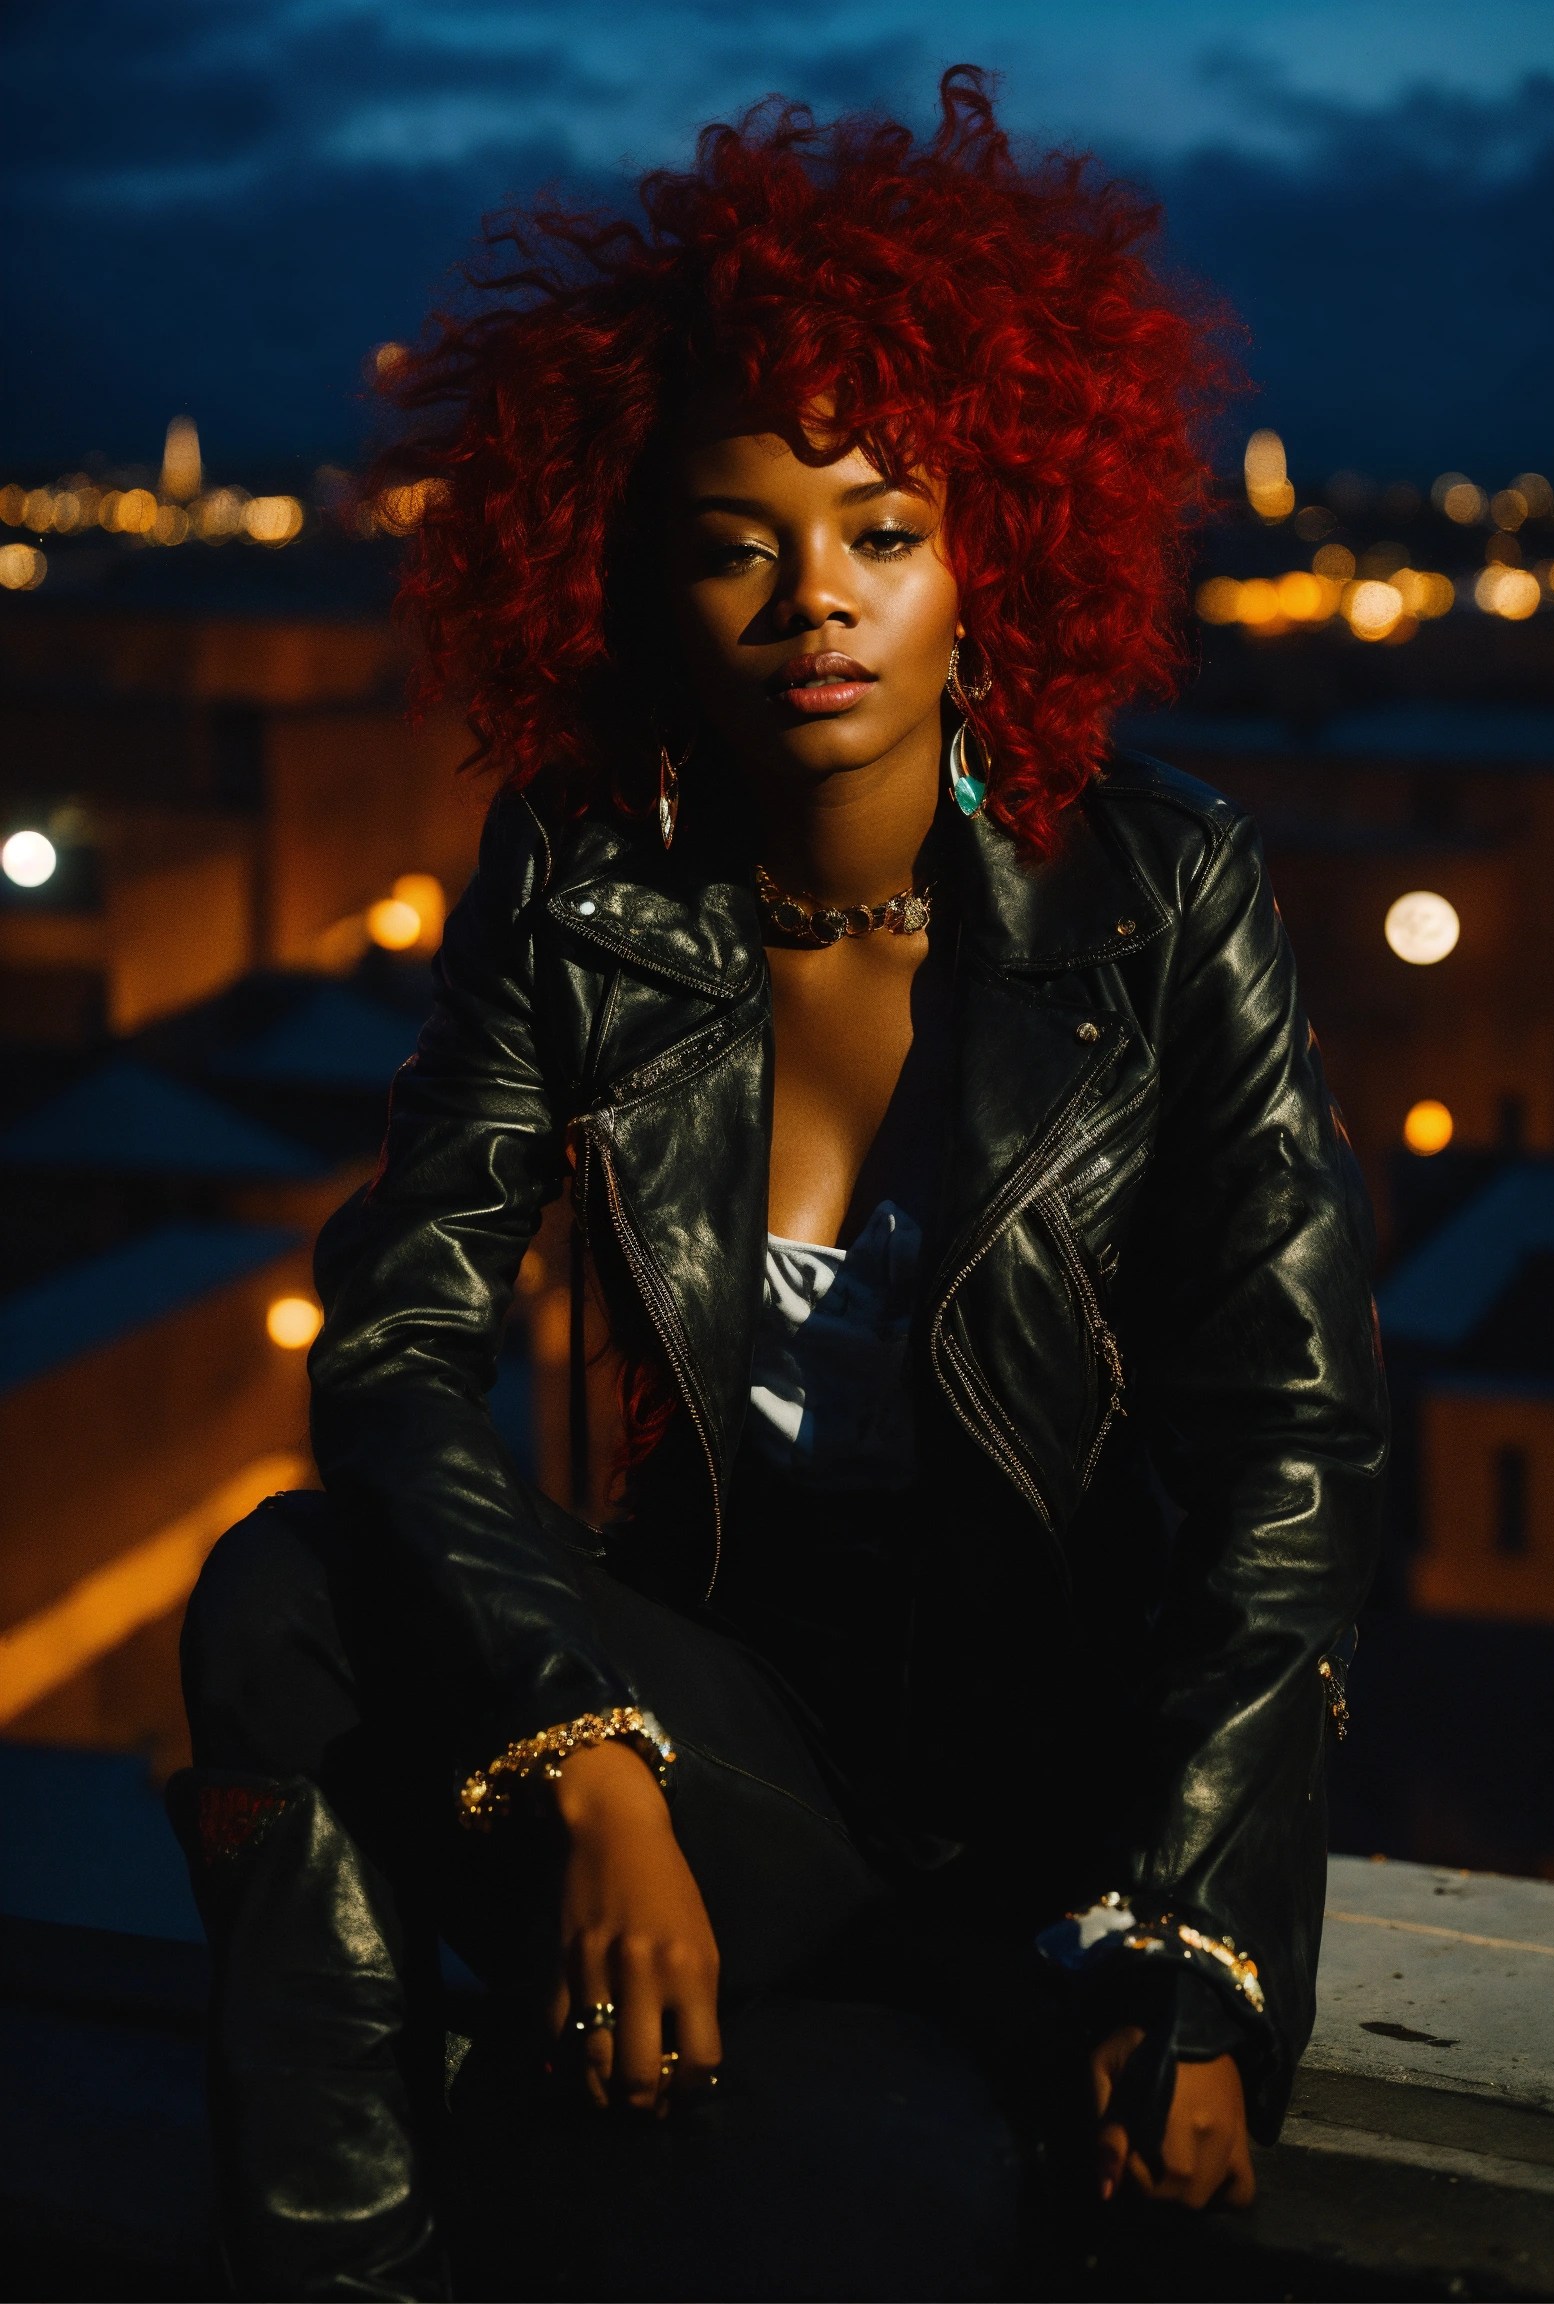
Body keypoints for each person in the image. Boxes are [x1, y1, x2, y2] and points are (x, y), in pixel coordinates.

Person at [169, 68, 1387, 2303]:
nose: (811, 606)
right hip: (722, 1747)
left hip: (1044, 1806)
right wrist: (594, 1756)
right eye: (735, 544)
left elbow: (1285, 1454)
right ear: (634, 577)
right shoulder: (581, 879)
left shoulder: (1161, 887)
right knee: (274, 1588)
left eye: (878, 532)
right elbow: (399, 1347)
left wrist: (1196, 1948)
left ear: (984, 549)